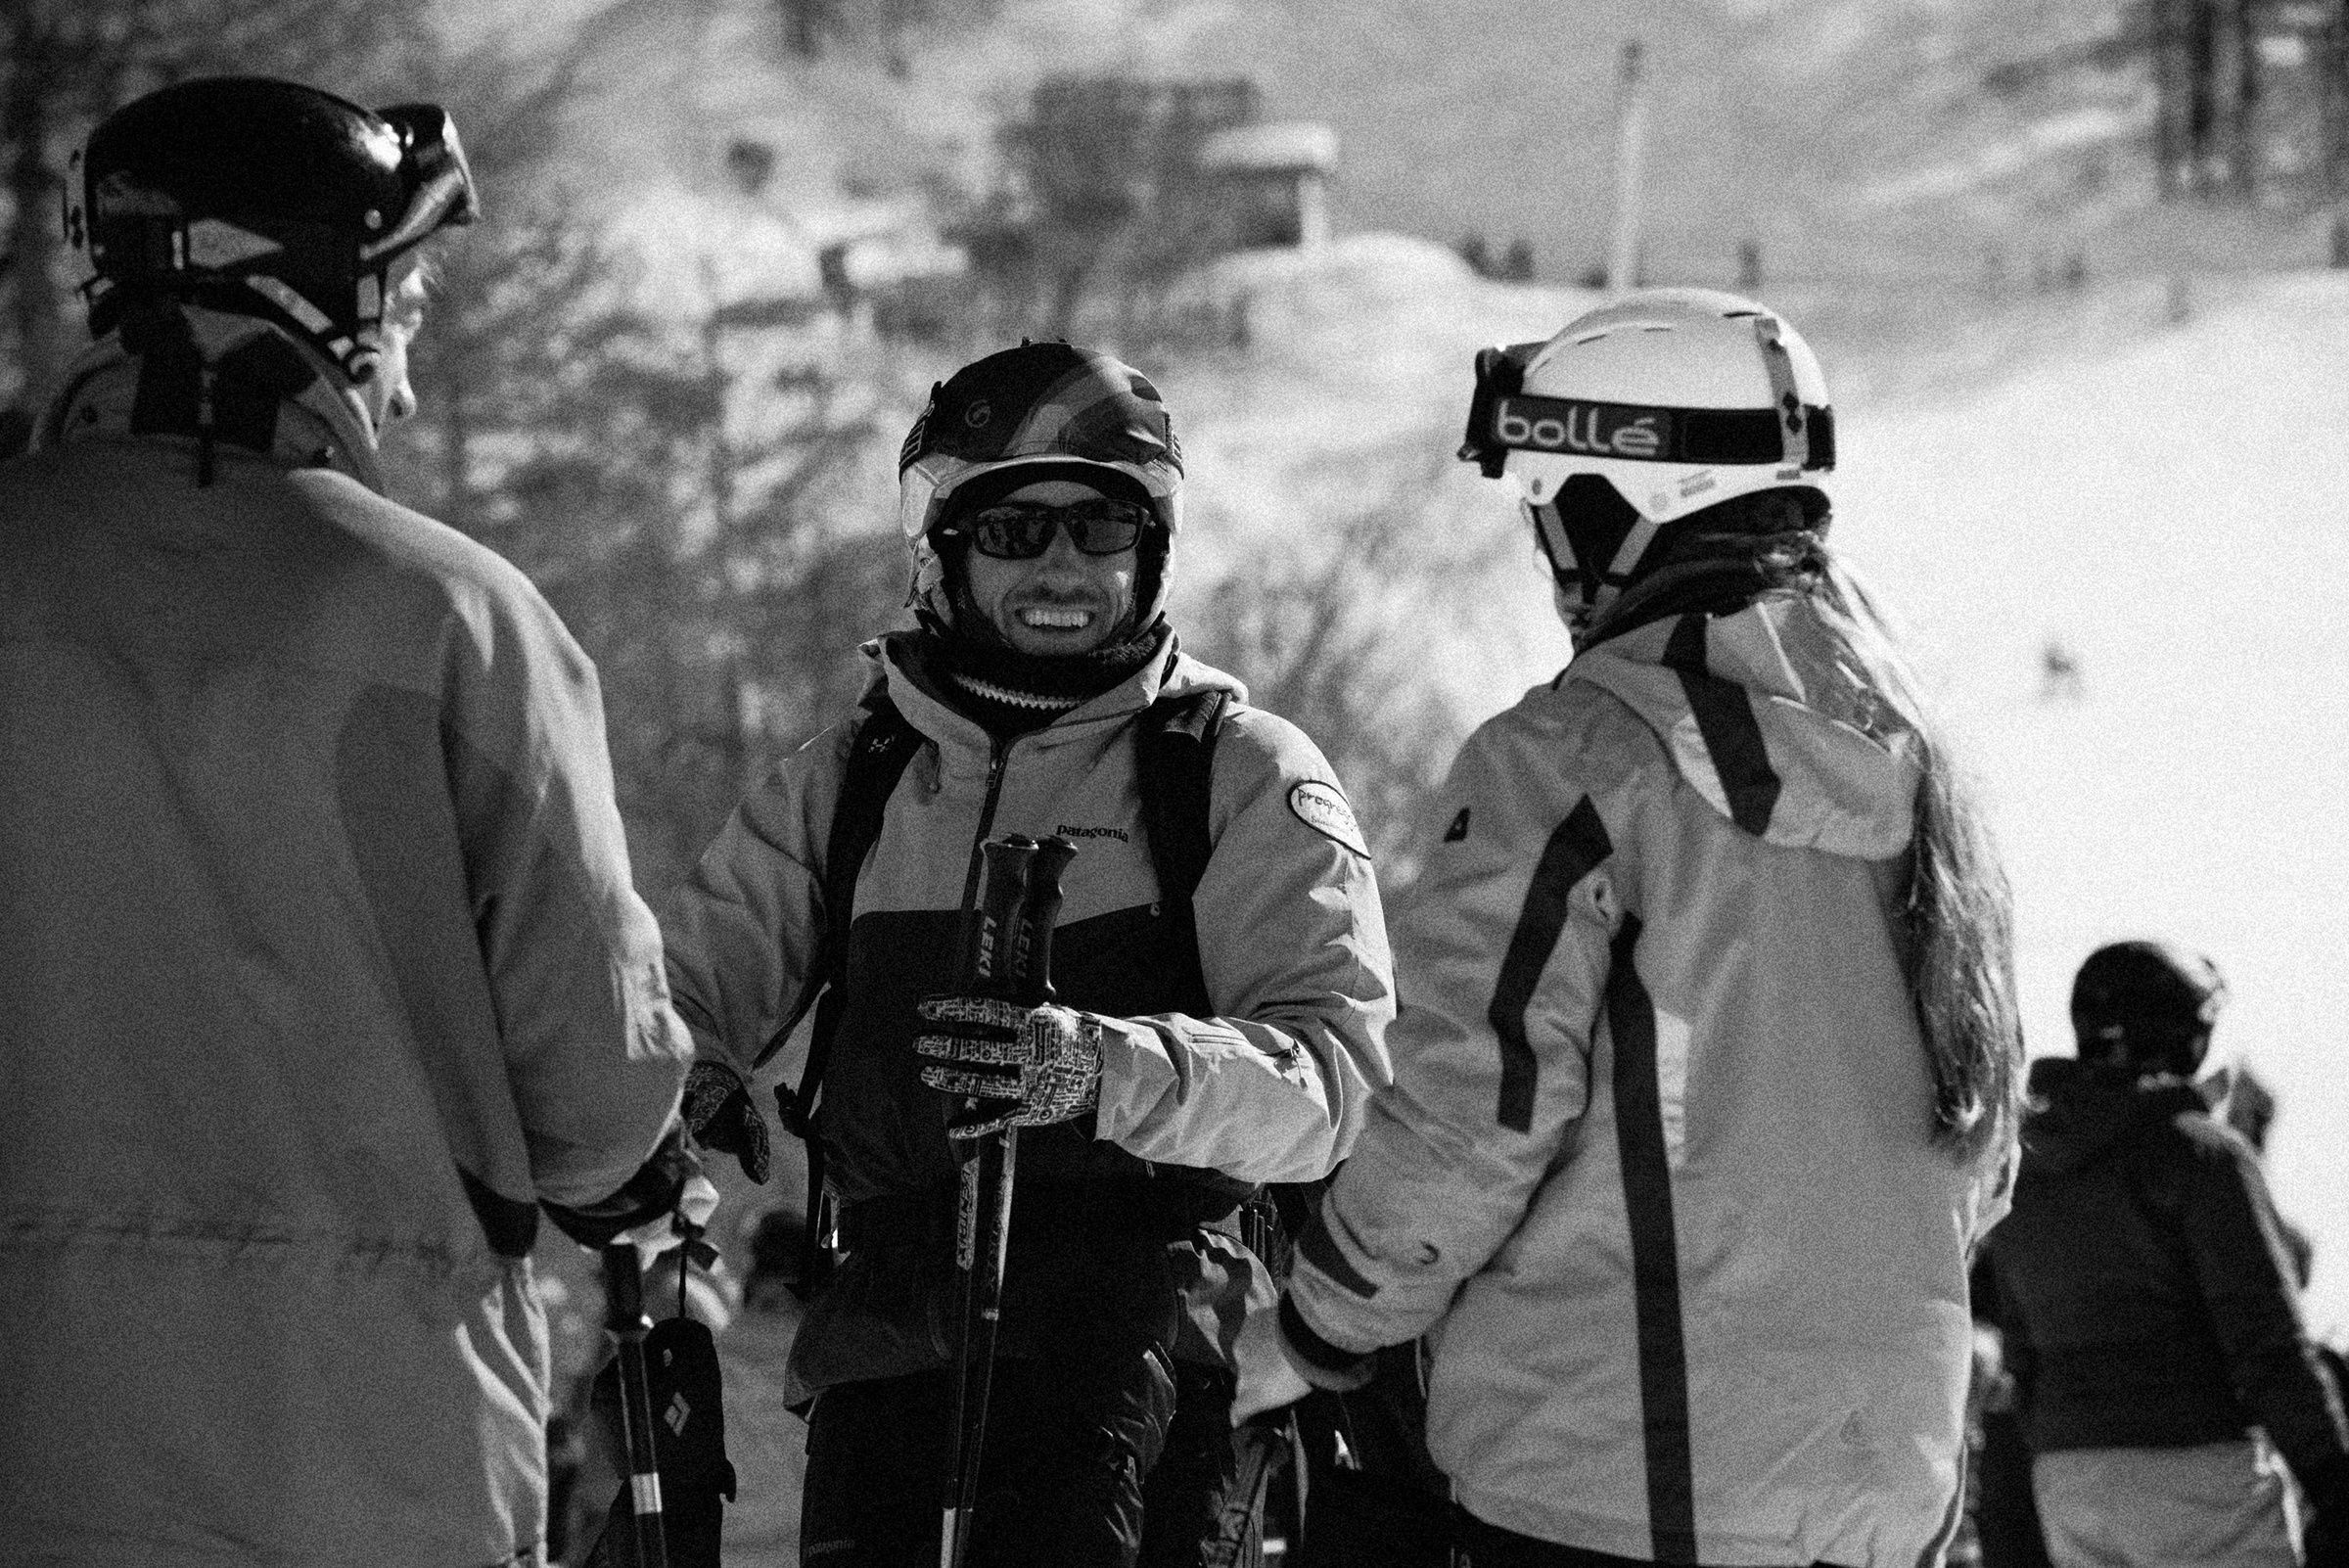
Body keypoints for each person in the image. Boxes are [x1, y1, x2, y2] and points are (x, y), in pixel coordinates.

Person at [0, 76, 697, 1566]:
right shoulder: (458, 625)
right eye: (406, 299)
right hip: (378, 1455)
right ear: (316, 293)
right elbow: (599, 1101)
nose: (408, 373)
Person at [1269, 288, 2027, 1568]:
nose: (1549, 545)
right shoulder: (1923, 766)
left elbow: (1472, 1112)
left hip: (1603, 1475)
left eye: (1556, 499)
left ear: (1637, 494)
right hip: (1880, 1493)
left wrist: (1325, 1311)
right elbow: (1981, 1147)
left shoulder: (1572, 754)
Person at [663, 339, 1396, 1566]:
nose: (1062, 566)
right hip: (887, 1349)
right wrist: (683, 1076)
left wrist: (1098, 1073)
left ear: (1150, 549)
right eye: (1014, 532)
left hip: (1144, 1353)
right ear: (942, 549)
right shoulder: (854, 783)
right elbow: (685, 987)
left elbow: (1332, 1085)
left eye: (1101, 529)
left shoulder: (1230, 774)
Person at [1983, 942, 2349, 1568]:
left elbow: (2019, 1349)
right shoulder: (2202, 1154)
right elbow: (2267, 1344)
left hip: (2071, 1479)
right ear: (2183, 1036)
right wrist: (2335, 1486)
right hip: (2199, 1470)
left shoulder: (2025, 1167)